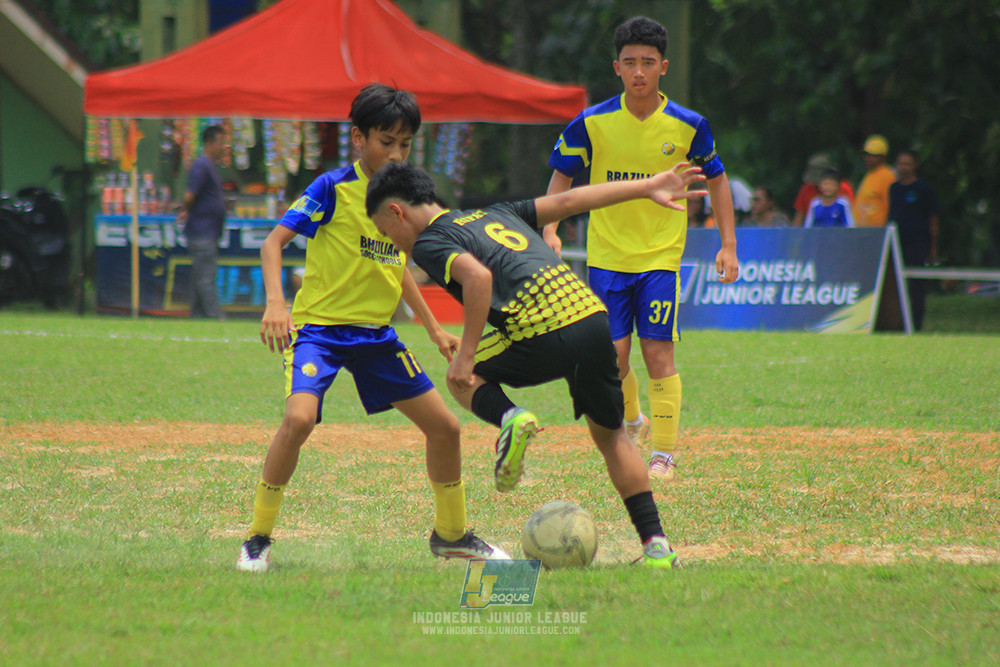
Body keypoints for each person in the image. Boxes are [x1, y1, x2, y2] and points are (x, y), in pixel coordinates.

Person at [366, 160, 711, 568]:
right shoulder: (498, 213)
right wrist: (648, 185)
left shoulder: (430, 241)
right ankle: (656, 547)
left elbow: (477, 278)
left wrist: (467, 353)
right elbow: (569, 200)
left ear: (396, 211)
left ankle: (509, 417)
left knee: (462, 379)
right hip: (592, 319)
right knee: (613, 436)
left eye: (390, 235)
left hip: (540, 328)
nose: (399, 247)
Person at [237, 84, 508, 573]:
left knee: (445, 427)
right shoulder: (331, 188)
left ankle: (452, 537)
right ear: (358, 138)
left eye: (405, 144)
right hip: (319, 330)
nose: (397, 153)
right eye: (387, 141)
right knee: (298, 420)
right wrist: (276, 304)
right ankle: (257, 538)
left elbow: (395, 266)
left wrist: (432, 328)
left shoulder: (401, 200)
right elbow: (273, 245)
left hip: (377, 336)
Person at [542, 16, 739, 479]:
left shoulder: (690, 126)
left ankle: (663, 456)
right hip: (607, 257)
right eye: (629, 62)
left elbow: (718, 180)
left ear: (663, 67)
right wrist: (549, 228)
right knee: (611, 358)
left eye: (648, 63)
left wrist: (728, 243)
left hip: (659, 259)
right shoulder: (592, 123)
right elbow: (561, 179)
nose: (638, 72)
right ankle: (633, 420)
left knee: (658, 353)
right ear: (616, 67)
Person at [177, 124, 227, 319]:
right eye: (221, 142)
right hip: (201, 230)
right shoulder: (201, 165)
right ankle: (215, 316)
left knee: (200, 276)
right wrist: (185, 210)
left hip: (207, 230)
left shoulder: (208, 166)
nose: (224, 147)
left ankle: (197, 315)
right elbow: (191, 195)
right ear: (210, 143)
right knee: (206, 277)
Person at [889, 149, 940, 331]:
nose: (903, 167)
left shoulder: (923, 189)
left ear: (915, 166)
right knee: (894, 284)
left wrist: (933, 247)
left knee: (916, 285)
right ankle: (897, 323)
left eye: (907, 163)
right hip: (896, 242)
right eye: (900, 163)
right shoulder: (894, 188)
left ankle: (916, 325)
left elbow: (932, 218)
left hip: (917, 242)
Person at [791, 153, 854, 226]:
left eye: (830, 184)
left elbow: (850, 220)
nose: (828, 187)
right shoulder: (807, 190)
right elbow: (800, 217)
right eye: (825, 184)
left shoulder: (844, 189)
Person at [853, 134, 896, 227]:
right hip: (863, 231)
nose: (868, 158)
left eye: (873, 156)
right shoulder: (869, 174)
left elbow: (890, 206)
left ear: (883, 157)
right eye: (866, 155)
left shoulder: (887, 176)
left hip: (877, 232)